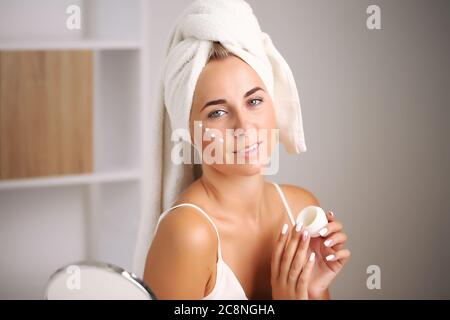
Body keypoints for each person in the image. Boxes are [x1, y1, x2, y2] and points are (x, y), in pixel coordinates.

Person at [143, 41, 350, 300]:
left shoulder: (300, 209)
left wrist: (314, 290)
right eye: (217, 112)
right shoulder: (188, 235)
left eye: (254, 101)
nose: (244, 126)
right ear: (189, 132)